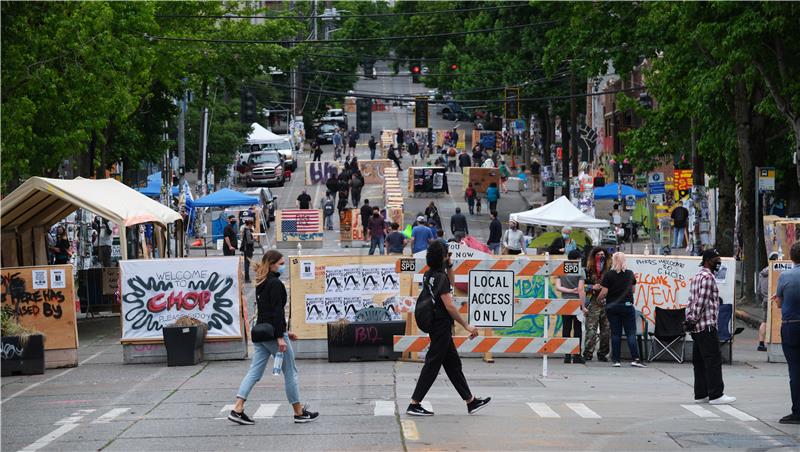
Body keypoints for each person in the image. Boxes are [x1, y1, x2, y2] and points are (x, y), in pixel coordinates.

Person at [228, 250, 319, 425]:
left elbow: (265, 311)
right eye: (281, 263)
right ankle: (299, 412)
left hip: (261, 333)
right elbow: (277, 312)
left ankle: (238, 407)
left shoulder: (261, 282)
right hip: (273, 334)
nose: (283, 266)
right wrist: (280, 336)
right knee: (291, 372)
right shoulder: (276, 284)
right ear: (271, 264)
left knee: (254, 372)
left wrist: (285, 331)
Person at [406, 241, 491, 416]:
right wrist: (466, 325)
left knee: (453, 365)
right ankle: (414, 403)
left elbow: (450, 285)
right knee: (432, 365)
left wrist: (449, 265)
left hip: (437, 325)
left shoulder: (430, 274)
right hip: (441, 326)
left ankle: (471, 401)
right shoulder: (440, 277)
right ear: (442, 256)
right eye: (447, 253)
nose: (448, 256)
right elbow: (450, 305)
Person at [685, 249, 735, 405]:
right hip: (706, 325)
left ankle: (701, 393)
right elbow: (702, 301)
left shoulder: (697, 277)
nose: (718, 262)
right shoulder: (708, 278)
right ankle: (716, 394)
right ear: (707, 260)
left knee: (699, 362)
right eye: (715, 259)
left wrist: (689, 320)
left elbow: (691, 300)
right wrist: (692, 319)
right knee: (713, 360)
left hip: (697, 327)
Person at [595, 252, 647, 368]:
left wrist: (598, 299)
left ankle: (616, 360)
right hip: (627, 306)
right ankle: (635, 359)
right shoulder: (630, 274)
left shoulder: (608, 275)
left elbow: (604, 292)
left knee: (615, 334)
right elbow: (633, 290)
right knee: (630, 334)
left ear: (613, 261)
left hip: (612, 307)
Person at [773, 240, 800, 424]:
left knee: (795, 370)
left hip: (792, 326)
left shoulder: (785, 276)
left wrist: (778, 300)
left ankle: (797, 411)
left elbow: (780, 303)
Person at [555, 249, 586, 364]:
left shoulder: (561, 269)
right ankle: (577, 355)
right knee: (577, 329)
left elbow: (558, 287)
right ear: (577, 259)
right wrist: (583, 306)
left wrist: (568, 290)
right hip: (576, 303)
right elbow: (581, 289)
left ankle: (567, 355)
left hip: (564, 302)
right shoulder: (581, 271)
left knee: (566, 328)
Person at [582, 247, 611, 362]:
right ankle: (588, 352)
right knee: (591, 329)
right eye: (598, 254)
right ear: (594, 256)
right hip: (592, 300)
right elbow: (580, 286)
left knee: (606, 330)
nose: (600, 256)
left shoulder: (609, 270)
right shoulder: (588, 270)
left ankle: (603, 353)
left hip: (606, 301)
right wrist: (591, 287)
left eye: (602, 254)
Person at [758, 252, 780, 351]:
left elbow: (758, 289)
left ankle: (761, 343)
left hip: (765, 299)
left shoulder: (762, 273)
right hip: (774, 299)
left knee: (764, 321)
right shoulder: (776, 272)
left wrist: (762, 298)